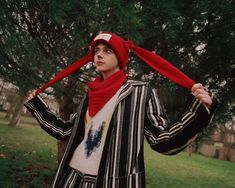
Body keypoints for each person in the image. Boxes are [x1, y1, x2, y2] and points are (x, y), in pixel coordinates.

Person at [25, 32, 217, 188]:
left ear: (120, 57)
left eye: (107, 50)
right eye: (96, 50)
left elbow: (162, 140)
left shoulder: (141, 92)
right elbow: (66, 130)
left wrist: (197, 112)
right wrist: (37, 104)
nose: (99, 55)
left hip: (114, 182)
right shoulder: (90, 93)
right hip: (72, 178)